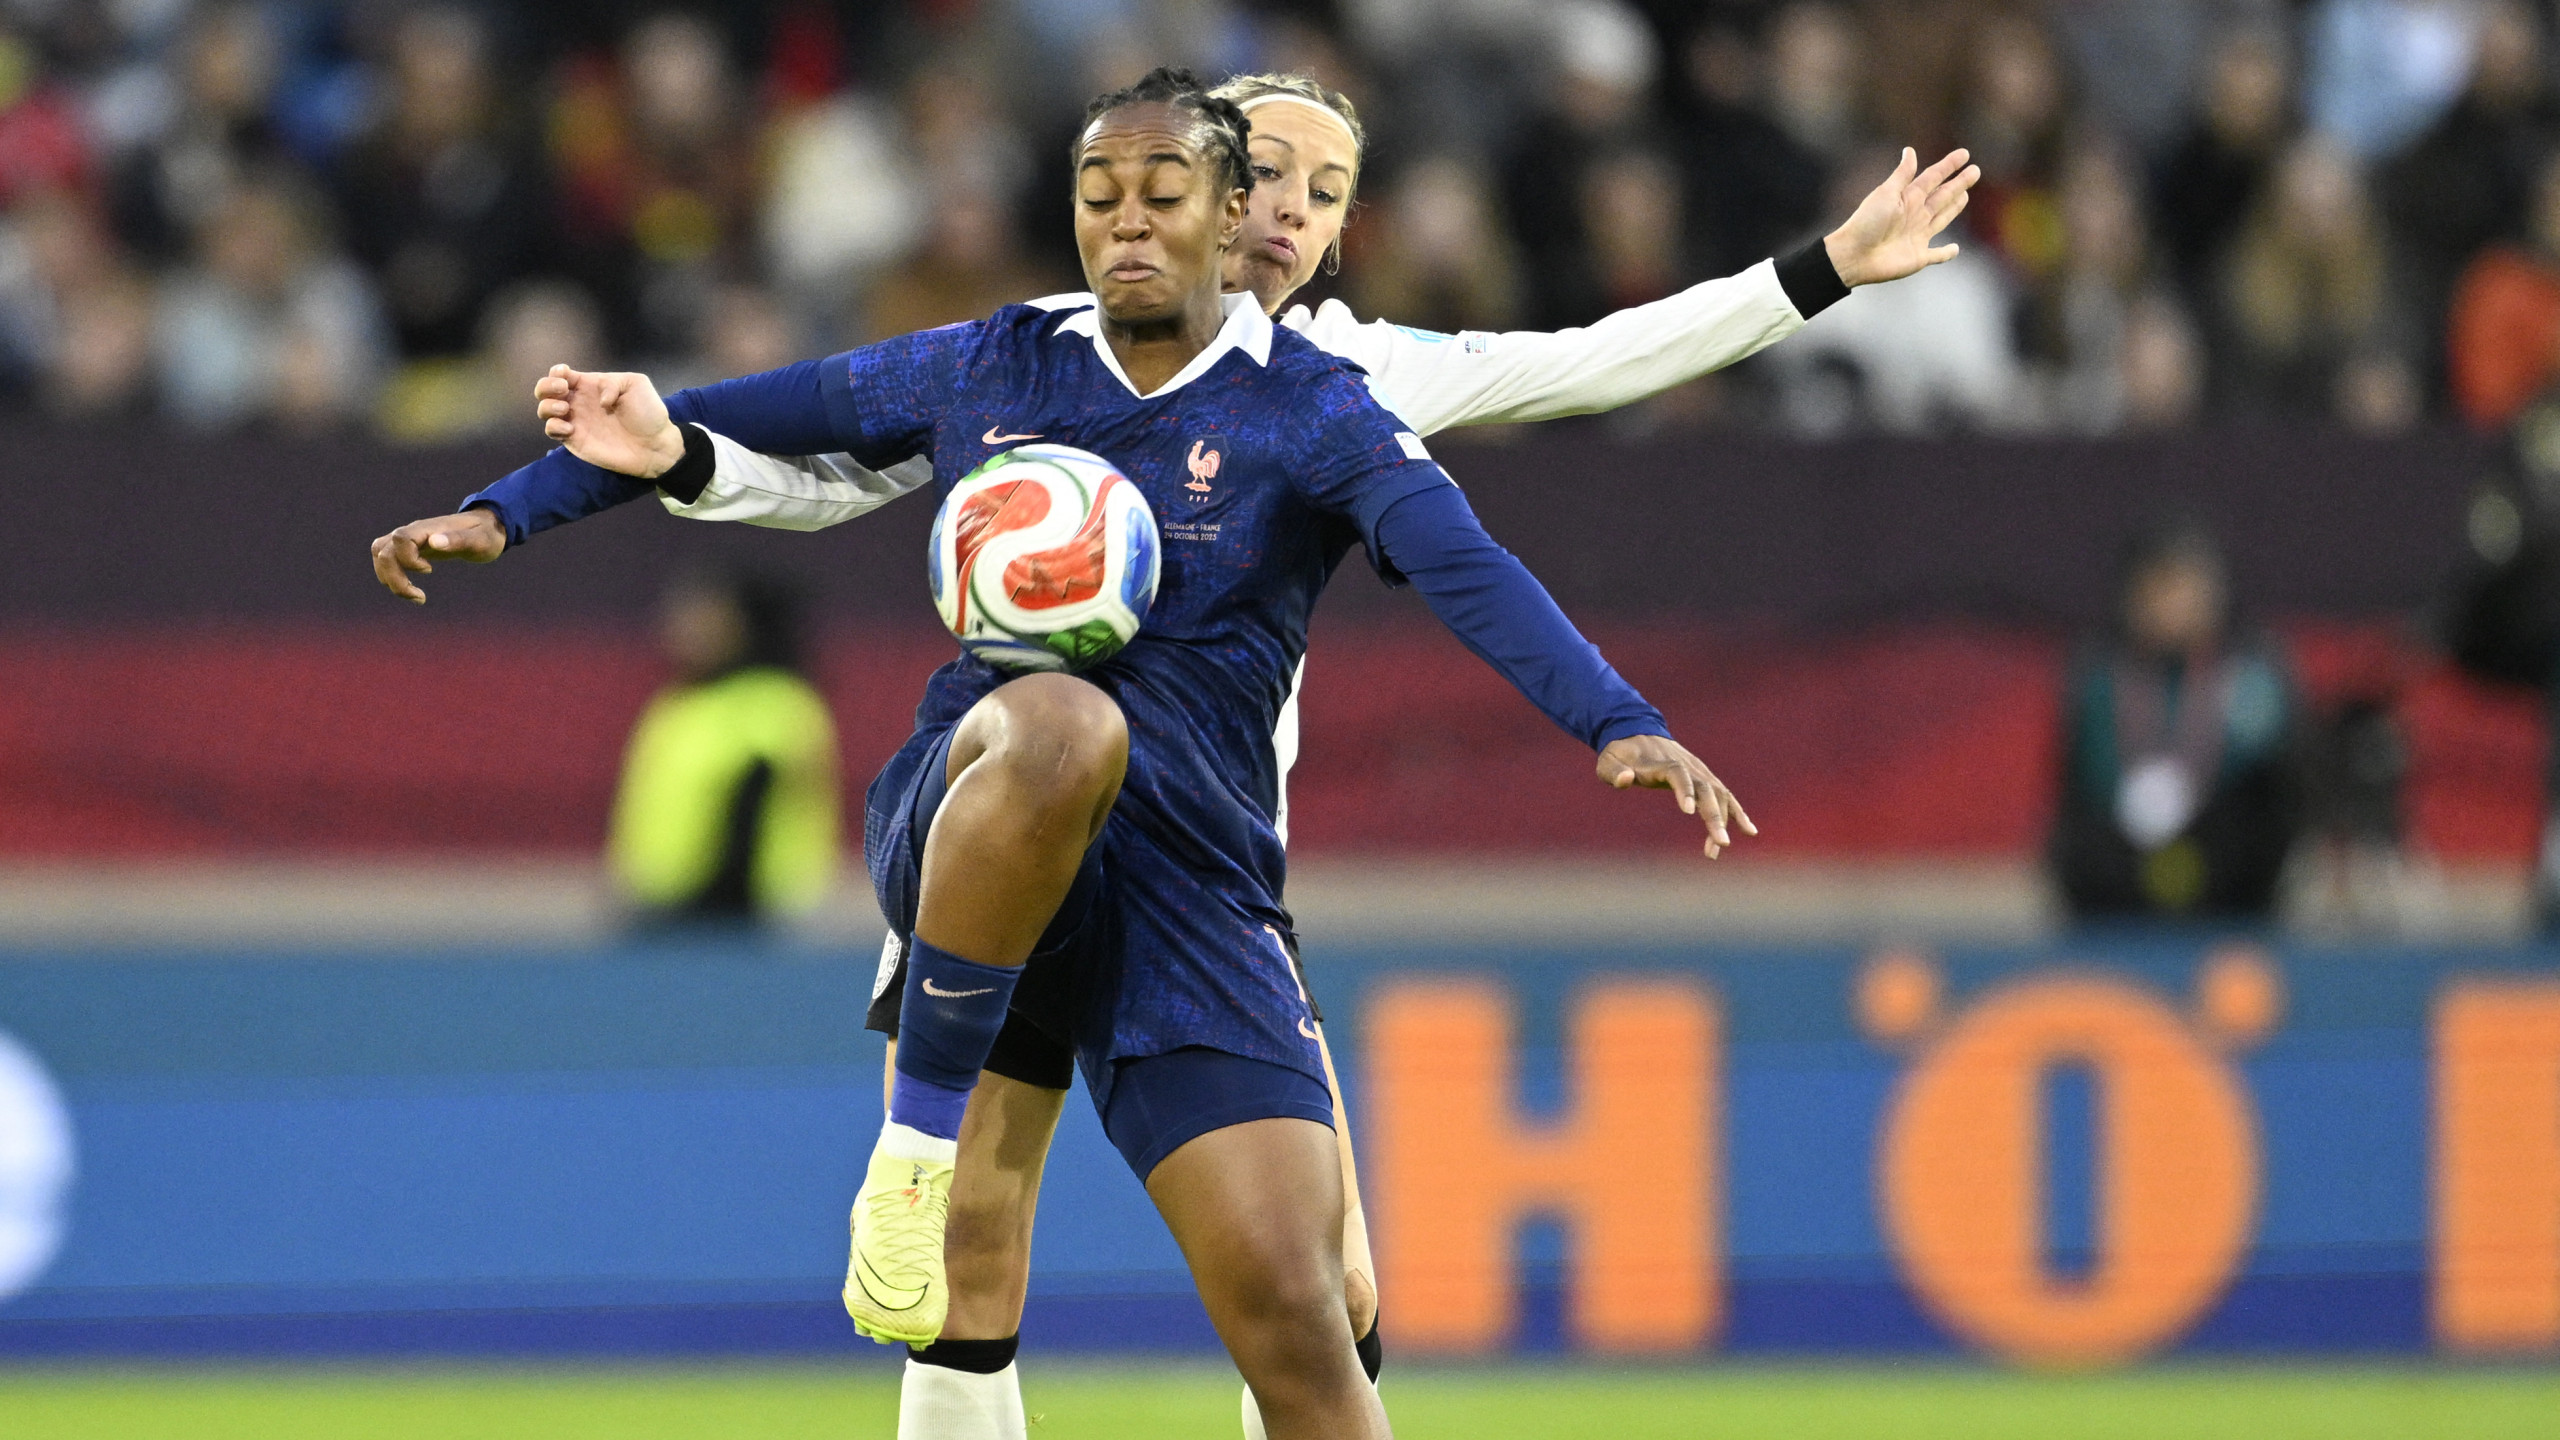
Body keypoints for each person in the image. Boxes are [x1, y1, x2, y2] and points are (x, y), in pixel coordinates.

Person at [496, 71, 1976, 1440]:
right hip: (1017, 808)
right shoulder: (1025, 353)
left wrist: (1824, 272)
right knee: (968, 1233)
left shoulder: (1349, 388)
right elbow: (811, 474)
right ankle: (912, 1151)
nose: (1282, 207)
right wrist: (565, 489)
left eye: (1320, 194)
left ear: (1337, 236)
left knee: (1329, 1295)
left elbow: (1597, 363)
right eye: (1261, 169)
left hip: (1207, 865)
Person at [2048, 518, 2300, 920]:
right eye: (2155, 588)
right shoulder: (2100, 676)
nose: (2169, 604)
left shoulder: (2253, 675)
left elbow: (2276, 803)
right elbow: (2080, 799)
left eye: (2181, 587)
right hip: (2116, 897)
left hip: (2233, 897)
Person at [608, 570, 838, 931]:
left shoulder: (772, 701)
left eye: (704, 617)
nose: (683, 629)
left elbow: (753, 811)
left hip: (734, 923)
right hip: (662, 912)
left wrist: (717, 907)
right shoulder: (684, 700)